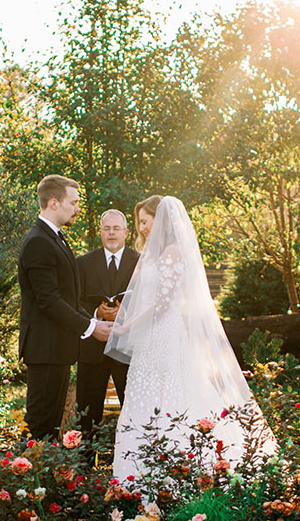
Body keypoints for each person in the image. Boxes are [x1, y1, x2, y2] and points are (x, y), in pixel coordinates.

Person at [105, 195, 277, 482]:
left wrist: (125, 326)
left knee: (171, 397)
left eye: (145, 222)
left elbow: (162, 304)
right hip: (148, 341)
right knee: (142, 398)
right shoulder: (153, 254)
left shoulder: (173, 252)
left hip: (165, 337)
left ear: (161, 220)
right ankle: (139, 476)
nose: (142, 229)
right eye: (139, 224)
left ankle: (183, 471)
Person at [18, 175, 112, 440]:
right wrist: (91, 326)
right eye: (73, 202)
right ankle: (32, 477)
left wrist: (93, 321)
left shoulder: (55, 238)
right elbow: (48, 300)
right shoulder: (39, 241)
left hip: (57, 348)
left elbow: (67, 297)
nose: (77, 209)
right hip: (45, 349)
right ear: (54, 203)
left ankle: (43, 476)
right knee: (41, 424)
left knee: (50, 425)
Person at [76, 209, 140, 445]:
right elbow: (75, 300)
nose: (111, 233)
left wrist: (124, 312)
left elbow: (148, 301)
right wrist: (97, 313)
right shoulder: (82, 263)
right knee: (86, 412)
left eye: (116, 228)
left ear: (126, 232)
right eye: (107, 228)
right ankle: (83, 469)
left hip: (128, 349)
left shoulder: (141, 261)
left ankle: (135, 464)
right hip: (93, 348)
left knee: (134, 409)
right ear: (100, 232)